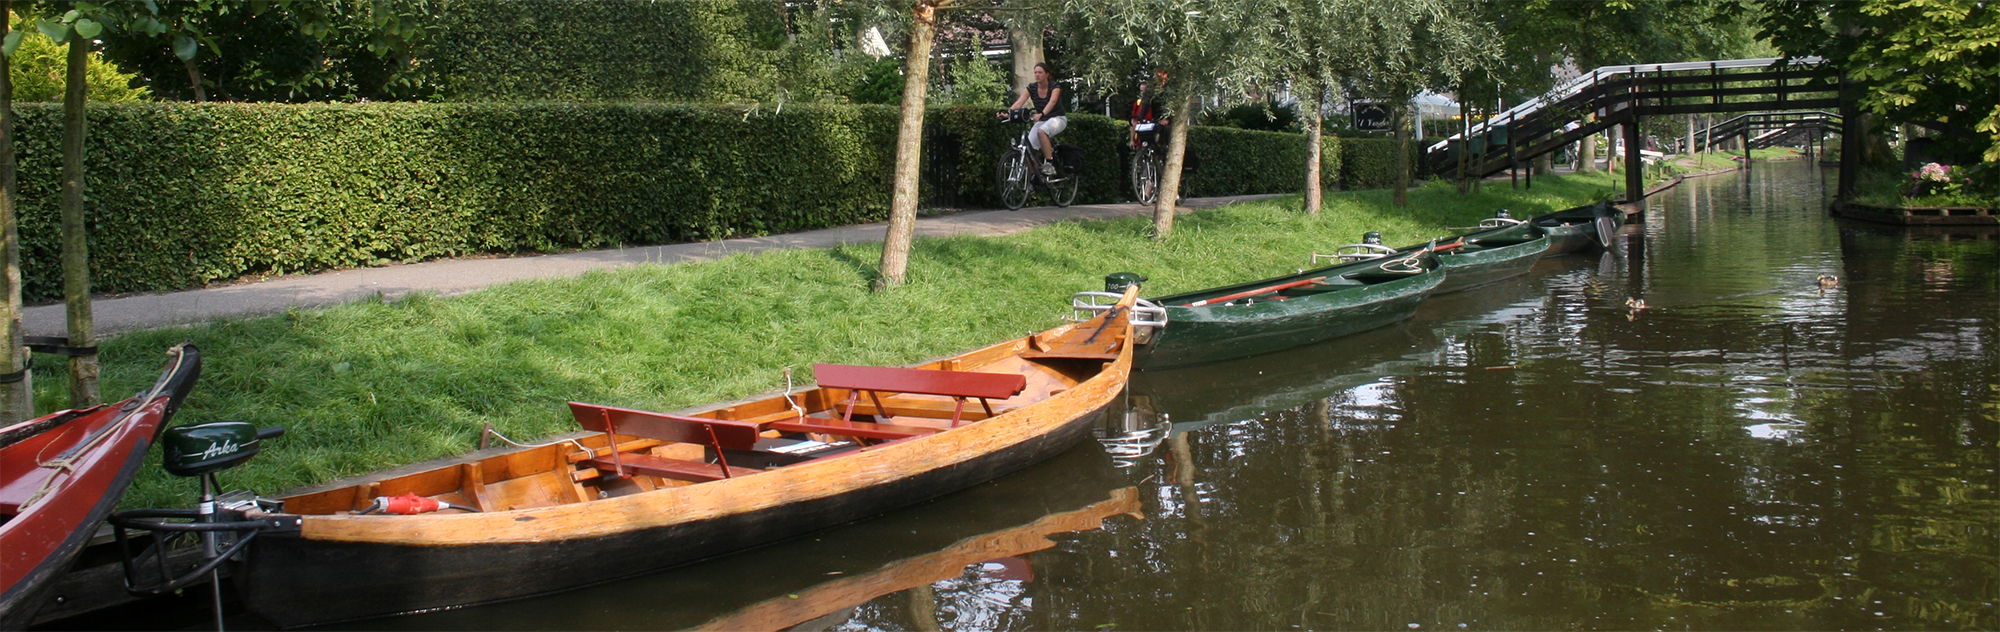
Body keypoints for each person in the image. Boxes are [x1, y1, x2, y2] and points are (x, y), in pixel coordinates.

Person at [999, 63, 1067, 176]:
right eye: (1035, 72)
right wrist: (1007, 113)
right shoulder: (1032, 88)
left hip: (1057, 119)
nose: (1037, 75)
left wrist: (1042, 113)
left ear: (1047, 74)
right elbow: (1019, 102)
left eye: (1040, 72)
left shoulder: (1054, 87)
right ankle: (1035, 176)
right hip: (1042, 120)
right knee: (1027, 148)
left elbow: (1053, 101)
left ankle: (1049, 164)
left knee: (1042, 131)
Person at [1129, 72, 1169, 148]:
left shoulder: (1170, 89)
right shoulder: (1151, 89)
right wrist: (1140, 118)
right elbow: (1145, 103)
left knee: (1167, 133)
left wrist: (1168, 119)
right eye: (1156, 76)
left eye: (1159, 75)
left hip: (1166, 116)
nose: (1157, 78)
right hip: (1154, 118)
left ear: (1165, 75)